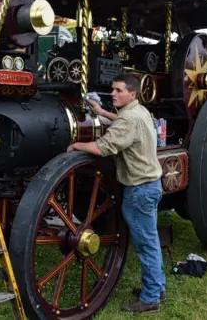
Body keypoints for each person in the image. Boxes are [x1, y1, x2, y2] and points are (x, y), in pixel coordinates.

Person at [67, 73, 165, 314]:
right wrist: (100, 111)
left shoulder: (129, 119)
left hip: (139, 189)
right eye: (112, 89)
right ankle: (157, 287)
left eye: (118, 90)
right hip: (150, 185)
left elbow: (103, 147)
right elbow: (122, 121)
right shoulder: (139, 111)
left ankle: (151, 298)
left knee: (145, 244)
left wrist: (75, 146)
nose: (113, 93)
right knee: (150, 240)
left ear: (132, 94)